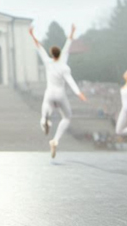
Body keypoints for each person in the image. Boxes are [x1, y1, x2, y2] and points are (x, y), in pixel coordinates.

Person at [29, 23, 87, 158]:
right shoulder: (64, 65)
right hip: (60, 94)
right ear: (61, 53)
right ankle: (55, 140)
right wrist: (79, 93)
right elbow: (68, 44)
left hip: (49, 93)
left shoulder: (48, 62)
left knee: (45, 111)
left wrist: (32, 35)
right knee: (67, 117)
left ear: (52, 54)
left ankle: (45, 120)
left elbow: (39, 47)